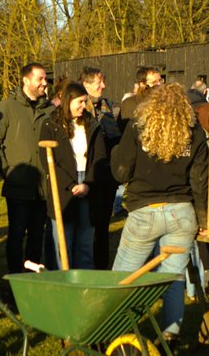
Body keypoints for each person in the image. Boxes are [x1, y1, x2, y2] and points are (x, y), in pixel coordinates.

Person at [111, 83, 208, 342]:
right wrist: (203, 218)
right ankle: (169, 337)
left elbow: (120, 173)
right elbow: (200, 180)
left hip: (145, 212)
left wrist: (115, 153)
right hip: (182, 213)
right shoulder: (195, 131)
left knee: (123, 278)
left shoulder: (137, 127)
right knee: (173, 279)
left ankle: (115, 332)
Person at [0, 63, 54, 275]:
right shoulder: (5, 108)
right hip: (18, 185)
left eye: (45, 79)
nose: (45, 83)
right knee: (16, 235)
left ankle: (32, 278)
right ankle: (14, 278)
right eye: (40, 79)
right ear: (26, 80)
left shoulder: (50, 110)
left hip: (43, 185)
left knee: (37, 235)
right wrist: (7, 171)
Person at [39, 83, 107, 269]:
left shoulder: (91, 124)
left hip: (88, 183)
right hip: (63, 186)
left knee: (85, 241)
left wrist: (88, 184)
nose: (84, 106)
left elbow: (99, 156)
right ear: (68, 101)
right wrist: (70, 185)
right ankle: (63, 279)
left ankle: (83, 279)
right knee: (63, 243)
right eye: (80, 102)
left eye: (85, 102)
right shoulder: (50, 124)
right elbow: (48, 161)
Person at [80, 67, 122, 269]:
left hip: (108, 176)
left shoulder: (108, 106)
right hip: (88, 176)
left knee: (103, 225)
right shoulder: (80, 108)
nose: (103, 86)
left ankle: (102, 267)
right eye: (99, 82)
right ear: (86, 84)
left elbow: (116, 138)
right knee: (88, 226)